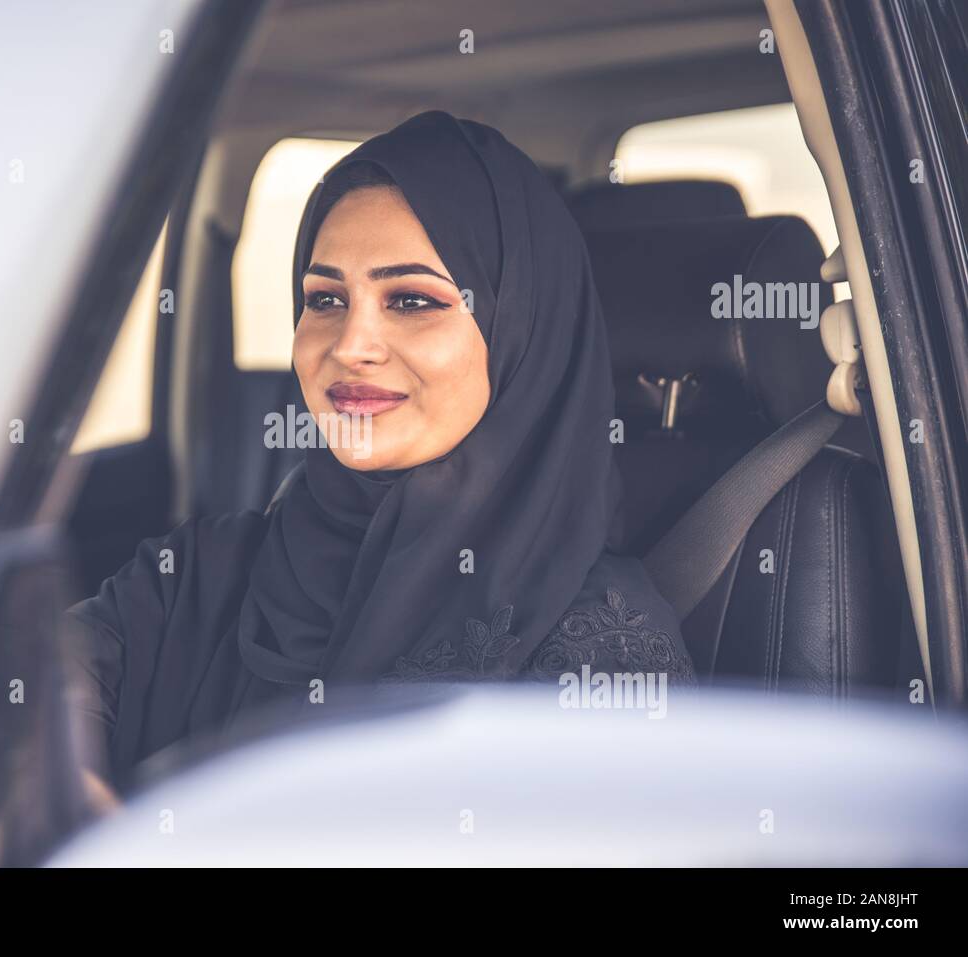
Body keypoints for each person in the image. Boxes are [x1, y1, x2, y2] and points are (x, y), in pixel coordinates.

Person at [60, 110, 695, 807]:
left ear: (517, 333)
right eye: (326, 298)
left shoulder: (601, 647)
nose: (352, 343)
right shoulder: (204, 573)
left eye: (413, 300)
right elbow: (32, 682)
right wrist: (74, 789)